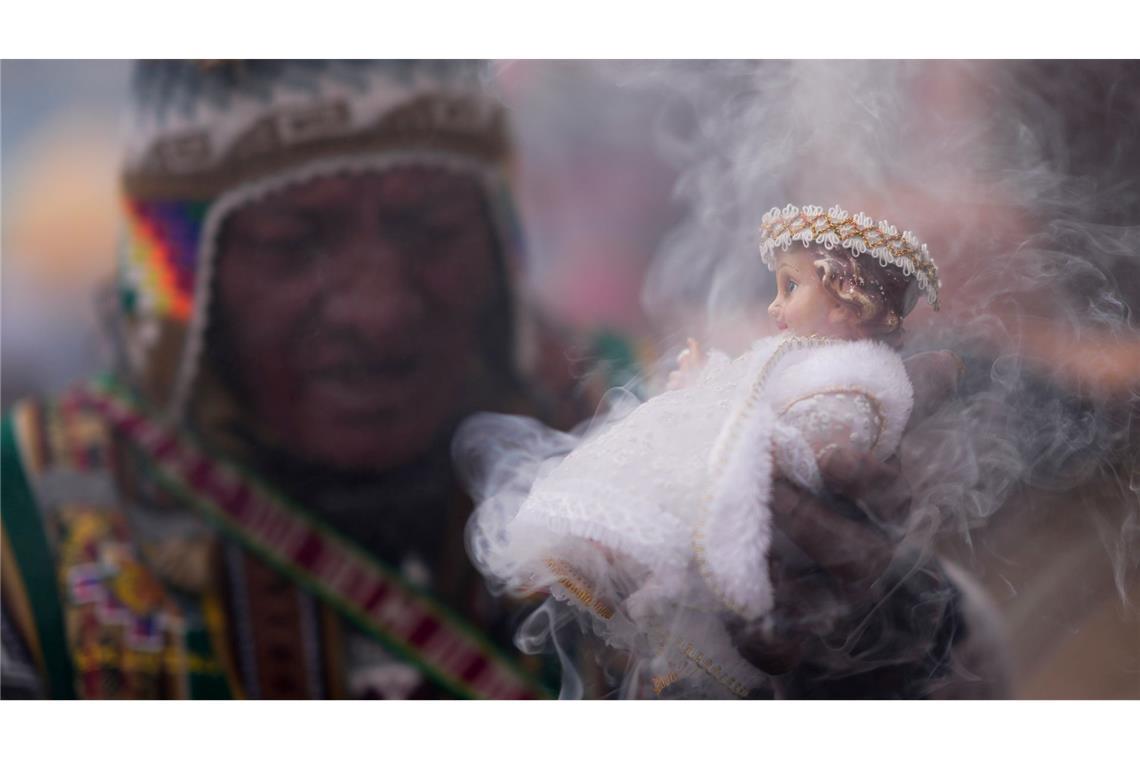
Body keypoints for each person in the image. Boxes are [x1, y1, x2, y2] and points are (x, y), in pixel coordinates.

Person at [1, 60, 596, 699]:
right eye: (292, 241)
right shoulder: (21, 519)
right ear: (182, 284)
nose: (379, 310)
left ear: (498, 241)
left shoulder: (642, 433)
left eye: (434, 229)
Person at [459, 204, 1011, 698]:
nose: (378, 306)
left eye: (790, 288)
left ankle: (648, 572)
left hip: (761, 468)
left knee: (690, 517)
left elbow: (813, 435)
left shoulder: (856, 375)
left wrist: (891, 626)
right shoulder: (793, 355)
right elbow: (746, 390)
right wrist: (704, 381)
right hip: (734, 451)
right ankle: (621, 559)